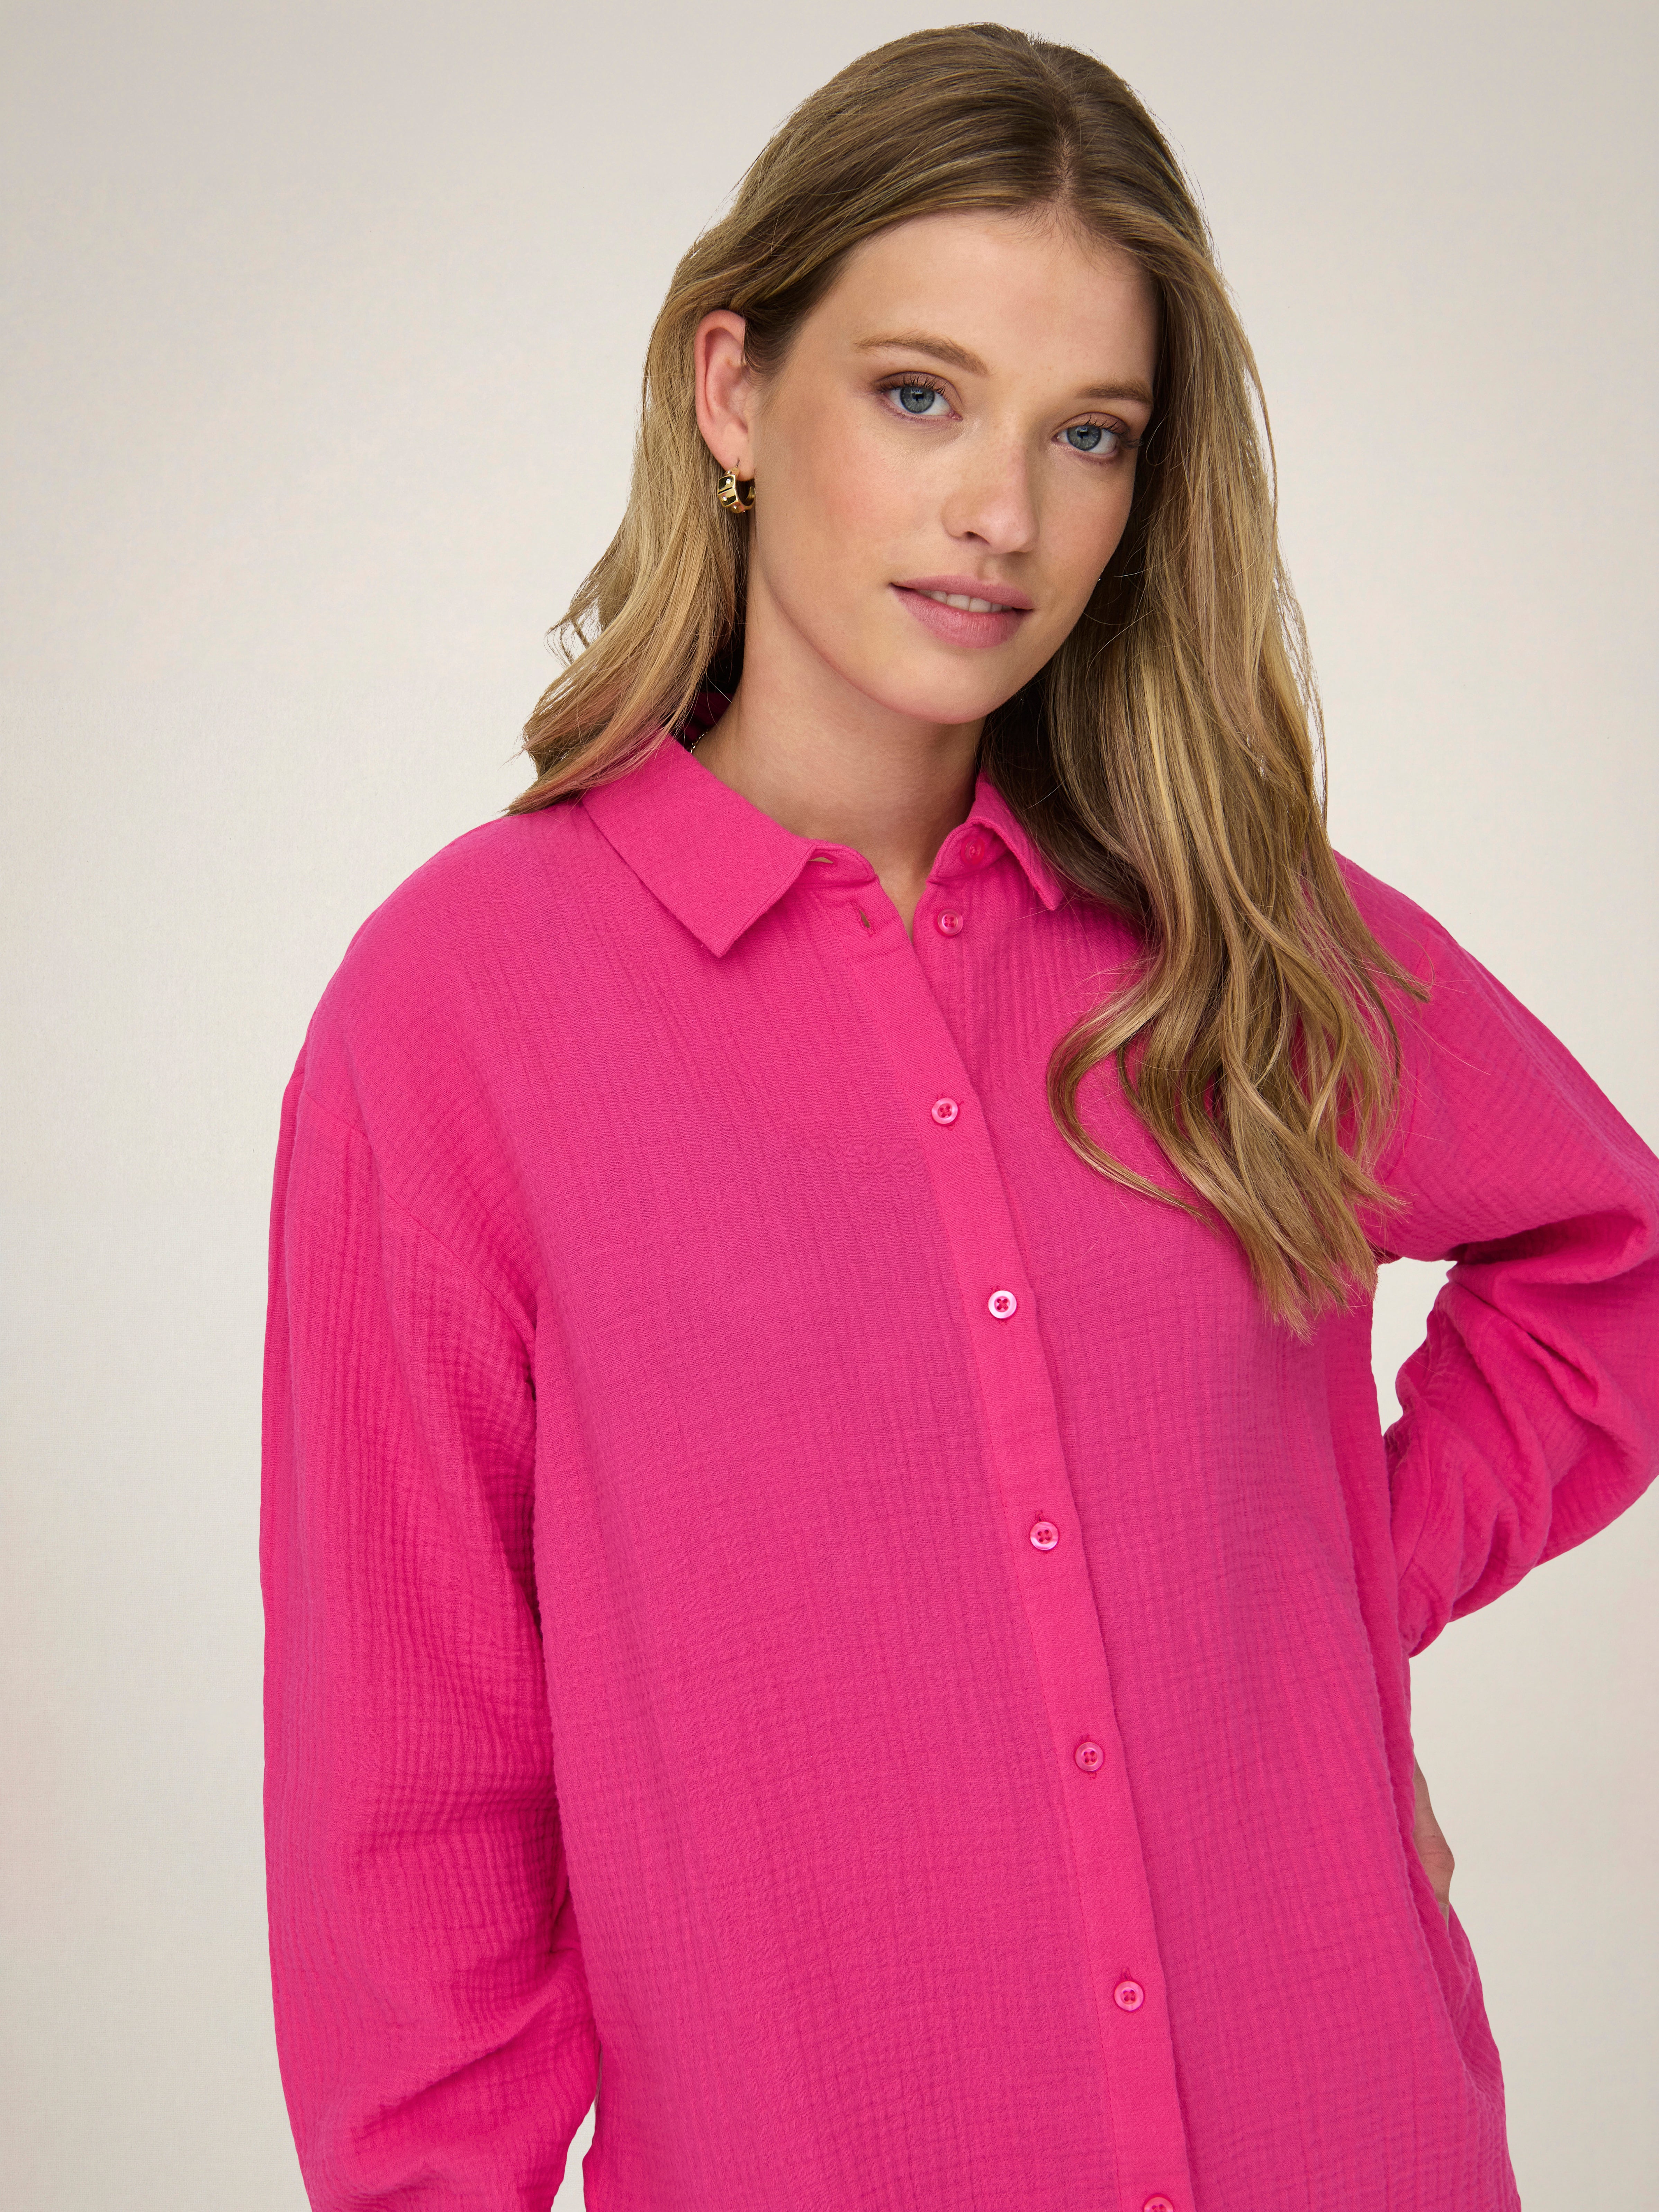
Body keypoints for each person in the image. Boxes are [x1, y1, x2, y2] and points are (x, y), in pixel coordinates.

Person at [260, 24, 1658, 2212]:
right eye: (922, 395)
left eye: (1088, 433)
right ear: (735, 392)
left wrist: (1315, 1608)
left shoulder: (1230, 928)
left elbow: (1617, 1261)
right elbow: (408, 1815)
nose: (1005, 514)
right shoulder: (460, 1014)